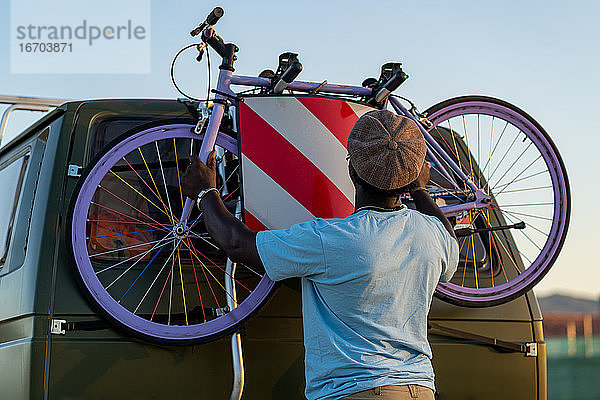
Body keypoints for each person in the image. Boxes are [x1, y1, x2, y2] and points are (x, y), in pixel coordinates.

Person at [182, 109, 458, 400]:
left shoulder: (332, 239)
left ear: (352, 170)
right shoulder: (430, 234)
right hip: (420, 389)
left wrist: (205, 193)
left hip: (357, 391)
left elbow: (236, 244)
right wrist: (418, 187)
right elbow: (448, 236)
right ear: (412, 177)